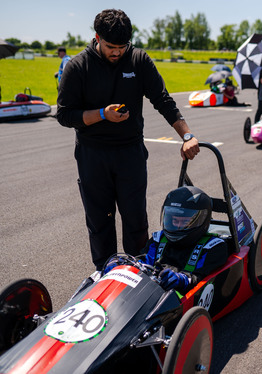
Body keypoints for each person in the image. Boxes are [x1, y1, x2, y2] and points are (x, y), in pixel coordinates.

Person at [57, 9, 199, 271]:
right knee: (100, 222)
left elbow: (163, 100)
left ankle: (140, 275)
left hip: (130, 153)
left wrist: (187, 135)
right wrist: (102, 115)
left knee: (136, 221)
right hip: (93, 155)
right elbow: (65, 115)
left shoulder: (139, 60)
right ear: (97, 37)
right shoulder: (78, 67)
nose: (117, 53)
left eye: (122, 47)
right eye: (111, 46)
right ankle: (105, 274)